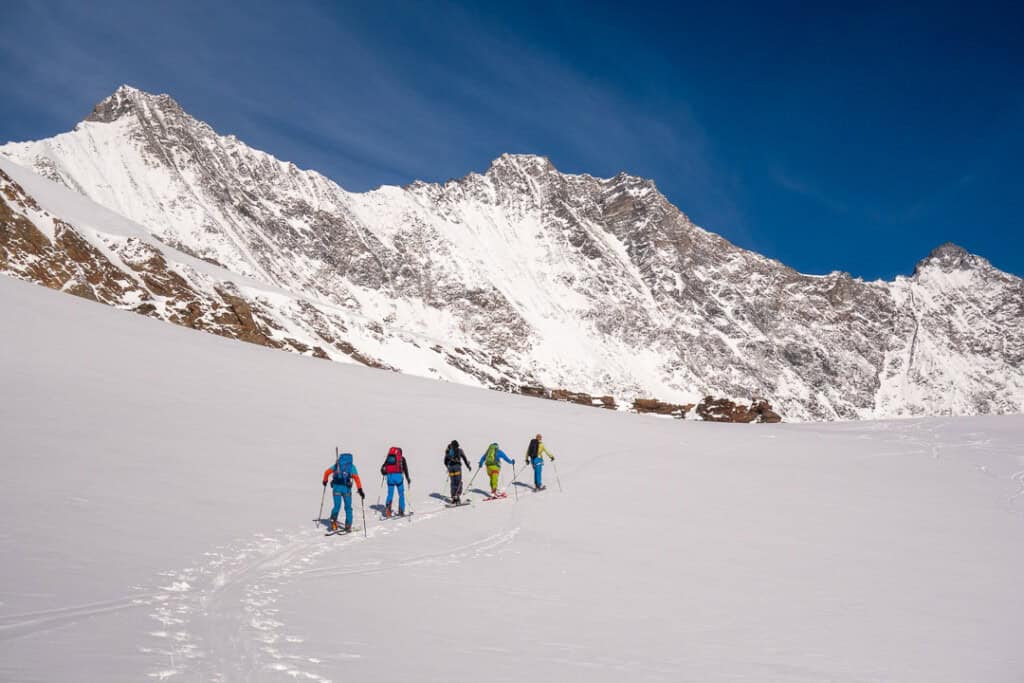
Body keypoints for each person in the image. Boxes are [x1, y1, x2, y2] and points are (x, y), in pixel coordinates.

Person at [321, 452, 365, 532]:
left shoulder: (337, 465)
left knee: (337, 505)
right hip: (346, 489)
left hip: (336, 488)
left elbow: (326, 472)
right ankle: (348, 525)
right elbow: (357, 479)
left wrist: (325, 481)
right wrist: (360, 490)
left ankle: (333, 520)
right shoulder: (351, 466)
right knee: (348, 508)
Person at [380, 446, 411, 517]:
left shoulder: (388, 458)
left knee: (390, 494)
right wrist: (408, 479)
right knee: (401, 494)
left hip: (390, 477)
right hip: (398, 478)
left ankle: (388, 509)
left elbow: (382, 469)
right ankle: (401, 511)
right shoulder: (402, 459)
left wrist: (385, 473)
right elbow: (405, 469)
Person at [444, 440, 473, 504]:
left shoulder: (448, 451)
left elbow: (445, 461)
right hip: (457, 467)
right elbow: (464, 458)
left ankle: (454, 497)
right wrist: (468, 466)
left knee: (453, 482)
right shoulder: (459, 450)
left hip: (450, 468)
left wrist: (448, 467)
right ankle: (457, 496)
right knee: (458, 482)